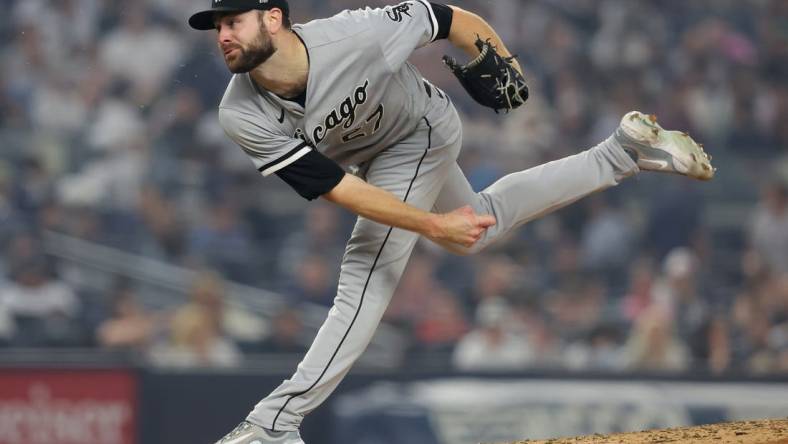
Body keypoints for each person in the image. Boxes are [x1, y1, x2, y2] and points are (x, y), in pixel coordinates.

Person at [187, 1, 715, 442]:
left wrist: (505, 59)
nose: (223, 34)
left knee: (365, 274)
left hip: (420, 130)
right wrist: (432, 225)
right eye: (217, 26)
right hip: (370, 160)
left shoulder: (354, 35)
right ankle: (622, 152)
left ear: (273, 18)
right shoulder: (240, 113)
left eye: (234, 20)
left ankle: (274, 422)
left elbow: (442, 16)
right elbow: (336, 187)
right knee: (481, 224)